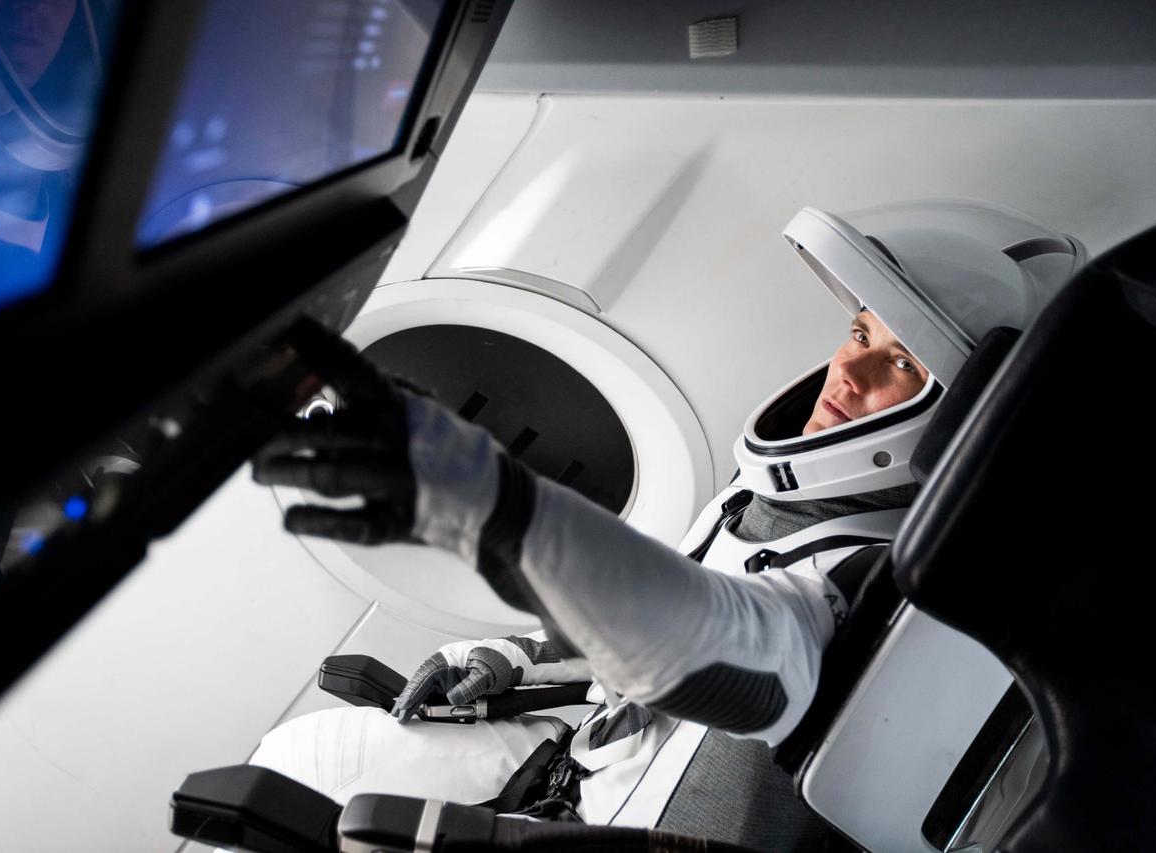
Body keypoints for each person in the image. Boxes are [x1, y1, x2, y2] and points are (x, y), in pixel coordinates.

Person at [246, 200, 1082, 848]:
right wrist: (502, 655)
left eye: (900, 362)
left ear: (954, 418)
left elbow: (734, 648)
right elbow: (640, 612)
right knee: (295, 757)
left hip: (617, 835)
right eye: (859, 332)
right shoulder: (759, 500)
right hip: (574, 768)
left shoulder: (881, 571)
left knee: (283, 798)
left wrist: (503, 510)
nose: (848, 371)